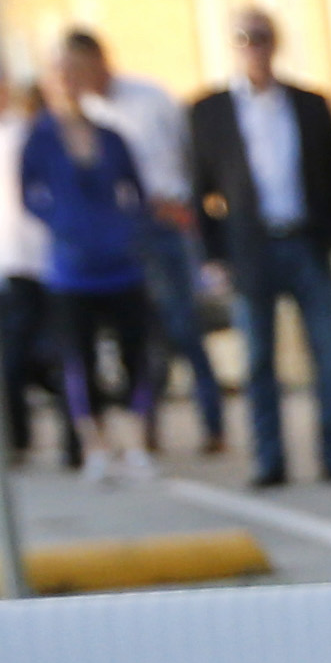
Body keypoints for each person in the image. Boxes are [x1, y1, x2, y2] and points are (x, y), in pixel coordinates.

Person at [187, 9, 331, 487]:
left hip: (304, 241)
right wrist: (214, 257)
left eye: (261, 38)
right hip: (250, 249)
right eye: (244, 39)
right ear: (233, 46)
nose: (254, 47)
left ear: (274, 43)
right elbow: (199, 190)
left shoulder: (309, 103)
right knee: (259, 360)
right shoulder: (209, 110)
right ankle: (269, 460)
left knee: (328, 356)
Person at [68, 31, 227, 458]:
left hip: (168, 224)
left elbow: (190, 159)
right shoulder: (83, 114)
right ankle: (146, 429)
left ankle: (213, 424)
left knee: (183, 327)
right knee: (141, 334)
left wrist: (188, 211)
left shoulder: (150, 98)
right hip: (122, 234)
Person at [20, 68, 165, 482]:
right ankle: (94, 444)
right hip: (71, 269)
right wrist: (60, 223)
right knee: (78, 359)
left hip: (120, 263)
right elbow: (27, 195)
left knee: (135, 354)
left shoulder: (110, 136)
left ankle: (137, 441)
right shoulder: (40, 140)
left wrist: (126, 228)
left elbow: (136, 190)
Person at [0, 72, 73, 471]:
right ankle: (13, 438)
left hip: (39, 253)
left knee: (54, 351)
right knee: (9, 356)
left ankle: (72, 438)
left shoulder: (28, 129)